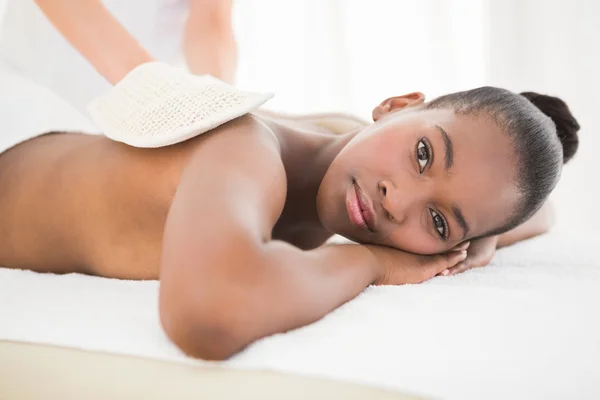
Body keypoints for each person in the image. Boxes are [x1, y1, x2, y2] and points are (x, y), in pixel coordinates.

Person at [0, 56, 580, 361]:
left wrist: (478, 241)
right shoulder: (244, 148)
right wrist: (371, 266)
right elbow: (206, 314)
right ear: (396, 105)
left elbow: (541, 214)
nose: (398, 199)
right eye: (424, 154)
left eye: (438, 220)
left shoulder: (355, 145)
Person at [0, 0, 237, 115]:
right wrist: (156, 92)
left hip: (150, 97)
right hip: (35, 80)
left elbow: (210, 23)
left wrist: (219, 101)